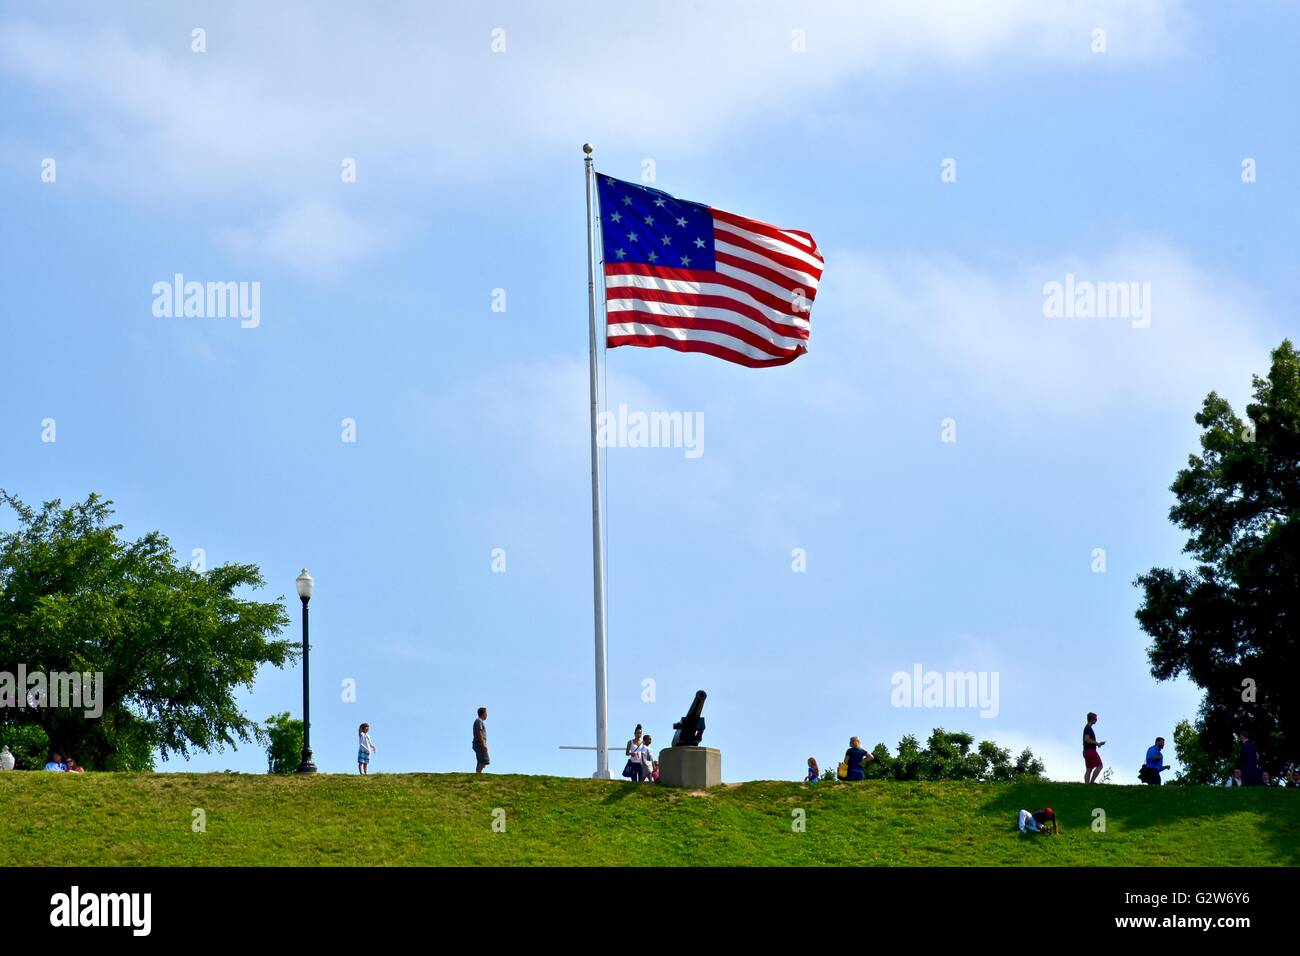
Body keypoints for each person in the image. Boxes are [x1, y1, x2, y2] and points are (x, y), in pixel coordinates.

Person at [1083, 712, 1105, 784]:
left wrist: (1098, 744)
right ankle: (1092, 782)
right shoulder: (1088, 728)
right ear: (1092, 719)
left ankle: (1087, 785)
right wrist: (1097, 743)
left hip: (1086, 751)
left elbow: (1087, 740)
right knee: (1100, 766)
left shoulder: (1088, 727)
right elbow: (1086, 739)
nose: (1096, 720)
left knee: (1089, 769)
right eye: (1096, 718)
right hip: (1090, 751)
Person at [473, 707, 490, 773]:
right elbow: (479, 733)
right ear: (483, 713)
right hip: (479, 744)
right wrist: (483, 745)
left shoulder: (479, 721)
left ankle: (478, 774)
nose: (487, 715)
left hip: (479, 744)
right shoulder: (479, 721)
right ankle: (478, 774)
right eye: (486, 713)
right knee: (484, 760)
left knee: (481, 760)